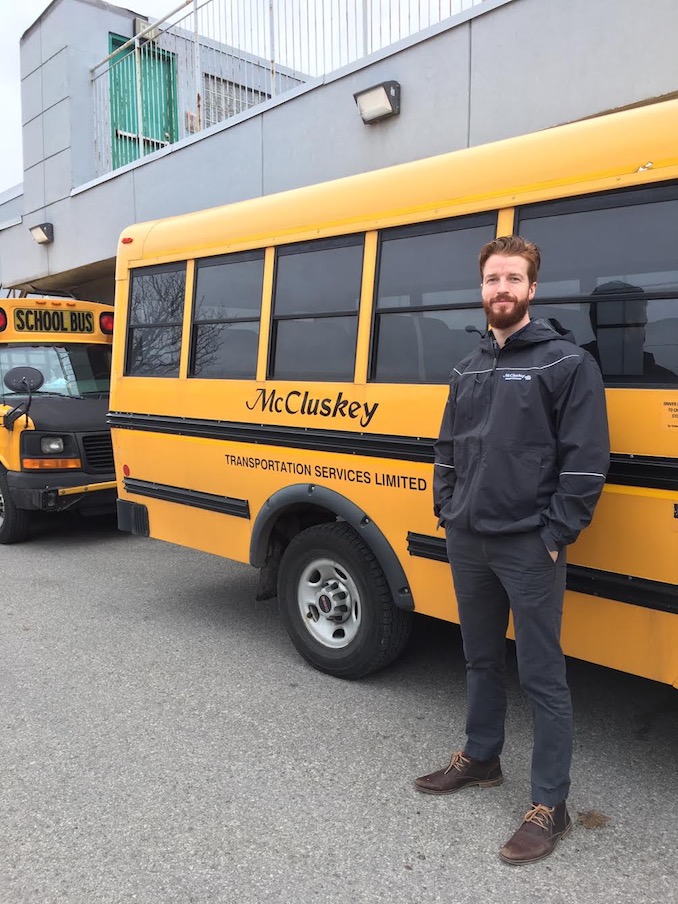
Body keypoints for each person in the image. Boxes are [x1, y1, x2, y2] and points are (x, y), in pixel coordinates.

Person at [415, 236, 610, 865]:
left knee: (543, 676)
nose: (501, 289)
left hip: (529, 546)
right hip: (468, 539)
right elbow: (447, 445)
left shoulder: (565, 364)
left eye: (513, 279)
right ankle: (481, 757)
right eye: (492, 279)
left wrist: (554, 536)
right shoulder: (467, 367)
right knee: (478, 659)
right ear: (483, 288)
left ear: (532, 289)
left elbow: (586, 462)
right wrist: (446, 508)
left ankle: (549, 805)